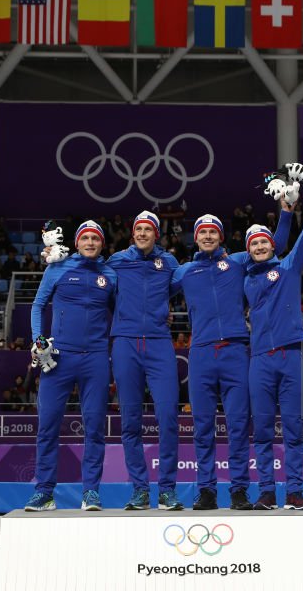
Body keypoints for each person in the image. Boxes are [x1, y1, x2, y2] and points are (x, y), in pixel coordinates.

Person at [170, 209, 289, 511]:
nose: (207, 236)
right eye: (202, 232)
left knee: (238, 425)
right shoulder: (184, 272)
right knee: (202, 426)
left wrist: (286, 212)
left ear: (221, 237)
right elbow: (147, 287)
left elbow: (277, 245)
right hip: (200, 353)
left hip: (236, 351)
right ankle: (207, 490)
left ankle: (238, 489)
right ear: (195, 238)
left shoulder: (238, 261)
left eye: (213, 232)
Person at [24, 221, 116, 512]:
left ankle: (91, 492)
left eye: (95, 238)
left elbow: (122, 310)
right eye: (85, 238)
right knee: (48, 426)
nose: (90, 242)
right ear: (76, 243)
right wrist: (38, 340)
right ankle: (44, 492)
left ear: (101, 244)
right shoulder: (57, 268)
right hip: (59, 358)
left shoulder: (110, 274)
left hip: (96, 359)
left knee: (95, 428)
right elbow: (38, 305)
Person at [246, 181, 303, 511]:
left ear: (273, 245)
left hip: (291, 355)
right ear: (248, 249)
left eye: (265, 242)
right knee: (262, 429)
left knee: (293, 429)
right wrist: (284, 215)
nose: (261, 247)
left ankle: (294, 491)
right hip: (260, 359)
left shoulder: (288, 267)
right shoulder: (242, 275)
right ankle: (266, 491)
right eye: (255, 244)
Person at [108, 212, 183, 511]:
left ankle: (167, 490)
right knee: (130, 422)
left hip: (159, 343)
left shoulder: (170, 263)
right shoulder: (116, 260)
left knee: (168, 419)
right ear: (132, 233)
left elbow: (178, 288)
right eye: (137, 228)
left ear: (156, 234)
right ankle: (140, 490)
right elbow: (93, 275)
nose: (142, 233)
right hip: (125, 343)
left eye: (147, 229)